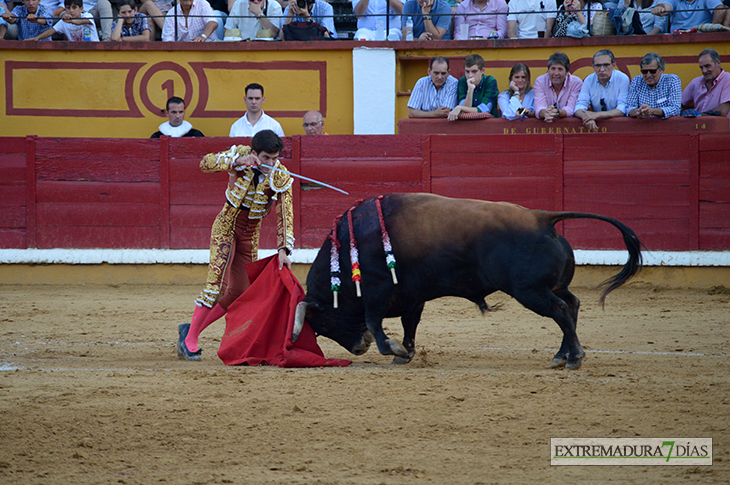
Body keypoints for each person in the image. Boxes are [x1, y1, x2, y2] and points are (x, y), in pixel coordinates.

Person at [177, 130, 294, 361]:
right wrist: (237, 161)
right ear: (254, 153)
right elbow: (205, 163)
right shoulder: (240, 155)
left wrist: (283, 250)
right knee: (216, 285)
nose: (271, 163)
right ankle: (190, 341)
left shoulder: (280, 175)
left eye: (274, 158)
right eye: (265, 158)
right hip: (226, 226)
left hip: (250, 234)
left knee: (238, 292)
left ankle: (189, 330)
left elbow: (285, 214)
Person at [574, 50, 630, 131]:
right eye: (598, 66)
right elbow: (579, 107)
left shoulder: (622, 79)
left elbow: (622, 109)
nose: (602, 69)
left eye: (606, 65)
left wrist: (596, 115)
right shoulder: (589, 80)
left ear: (613, 65)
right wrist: (586, 117)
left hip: (619, 128)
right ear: (593, 67)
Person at [627, 52, 681, 119]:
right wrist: (638, 112)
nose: (648, 75)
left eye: (652, 71)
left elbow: (675, 109)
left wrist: (652, 111)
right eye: (644, 71)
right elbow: (629, 108)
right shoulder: (636, 81)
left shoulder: (672, 80)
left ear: (661, 69)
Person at [534, 52, 583, 122]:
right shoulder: (540, 81)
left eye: (560, 69)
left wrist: (556, 113)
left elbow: (571, 109)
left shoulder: (576, 83)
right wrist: (545, 113)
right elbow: (539, 108)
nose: (556, 73)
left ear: (567, 73)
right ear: (548, 71)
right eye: (553, 69)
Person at [447, 54, 499, 121]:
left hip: (489, 124)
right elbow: (465, 111)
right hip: (467, 125)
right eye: (467, 71)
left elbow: (484, 109)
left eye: (474, 71)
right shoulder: (462, 81)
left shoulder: (490, 81)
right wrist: (470, 90)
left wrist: (460, 108)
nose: (470, 75)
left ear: (482, 71)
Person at [681, 48, 730, 118]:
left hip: (721, 127)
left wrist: (699, 116)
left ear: (718, 63)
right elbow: (678, 105)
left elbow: (723, 110)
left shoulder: (727, 79)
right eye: (701, 68)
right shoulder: (696, 83)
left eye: (707, 66)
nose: (704, 71)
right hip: (697, 127)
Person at [27, 0, 98, 40]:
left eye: (74, 8)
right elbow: (51, 31)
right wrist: (37, 37)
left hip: (93, 50)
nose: (71, 11)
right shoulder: (63, 22)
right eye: (68, 8)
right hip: (77, 53)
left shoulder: (87, 15)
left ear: (81, 9)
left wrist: (71, 21)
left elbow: (82, 21)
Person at [650, 0, 724, 31]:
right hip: (677, 39)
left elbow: (720, 10)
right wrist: (660, 8)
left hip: (702, 40)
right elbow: (665, 7)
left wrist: (710, 32)